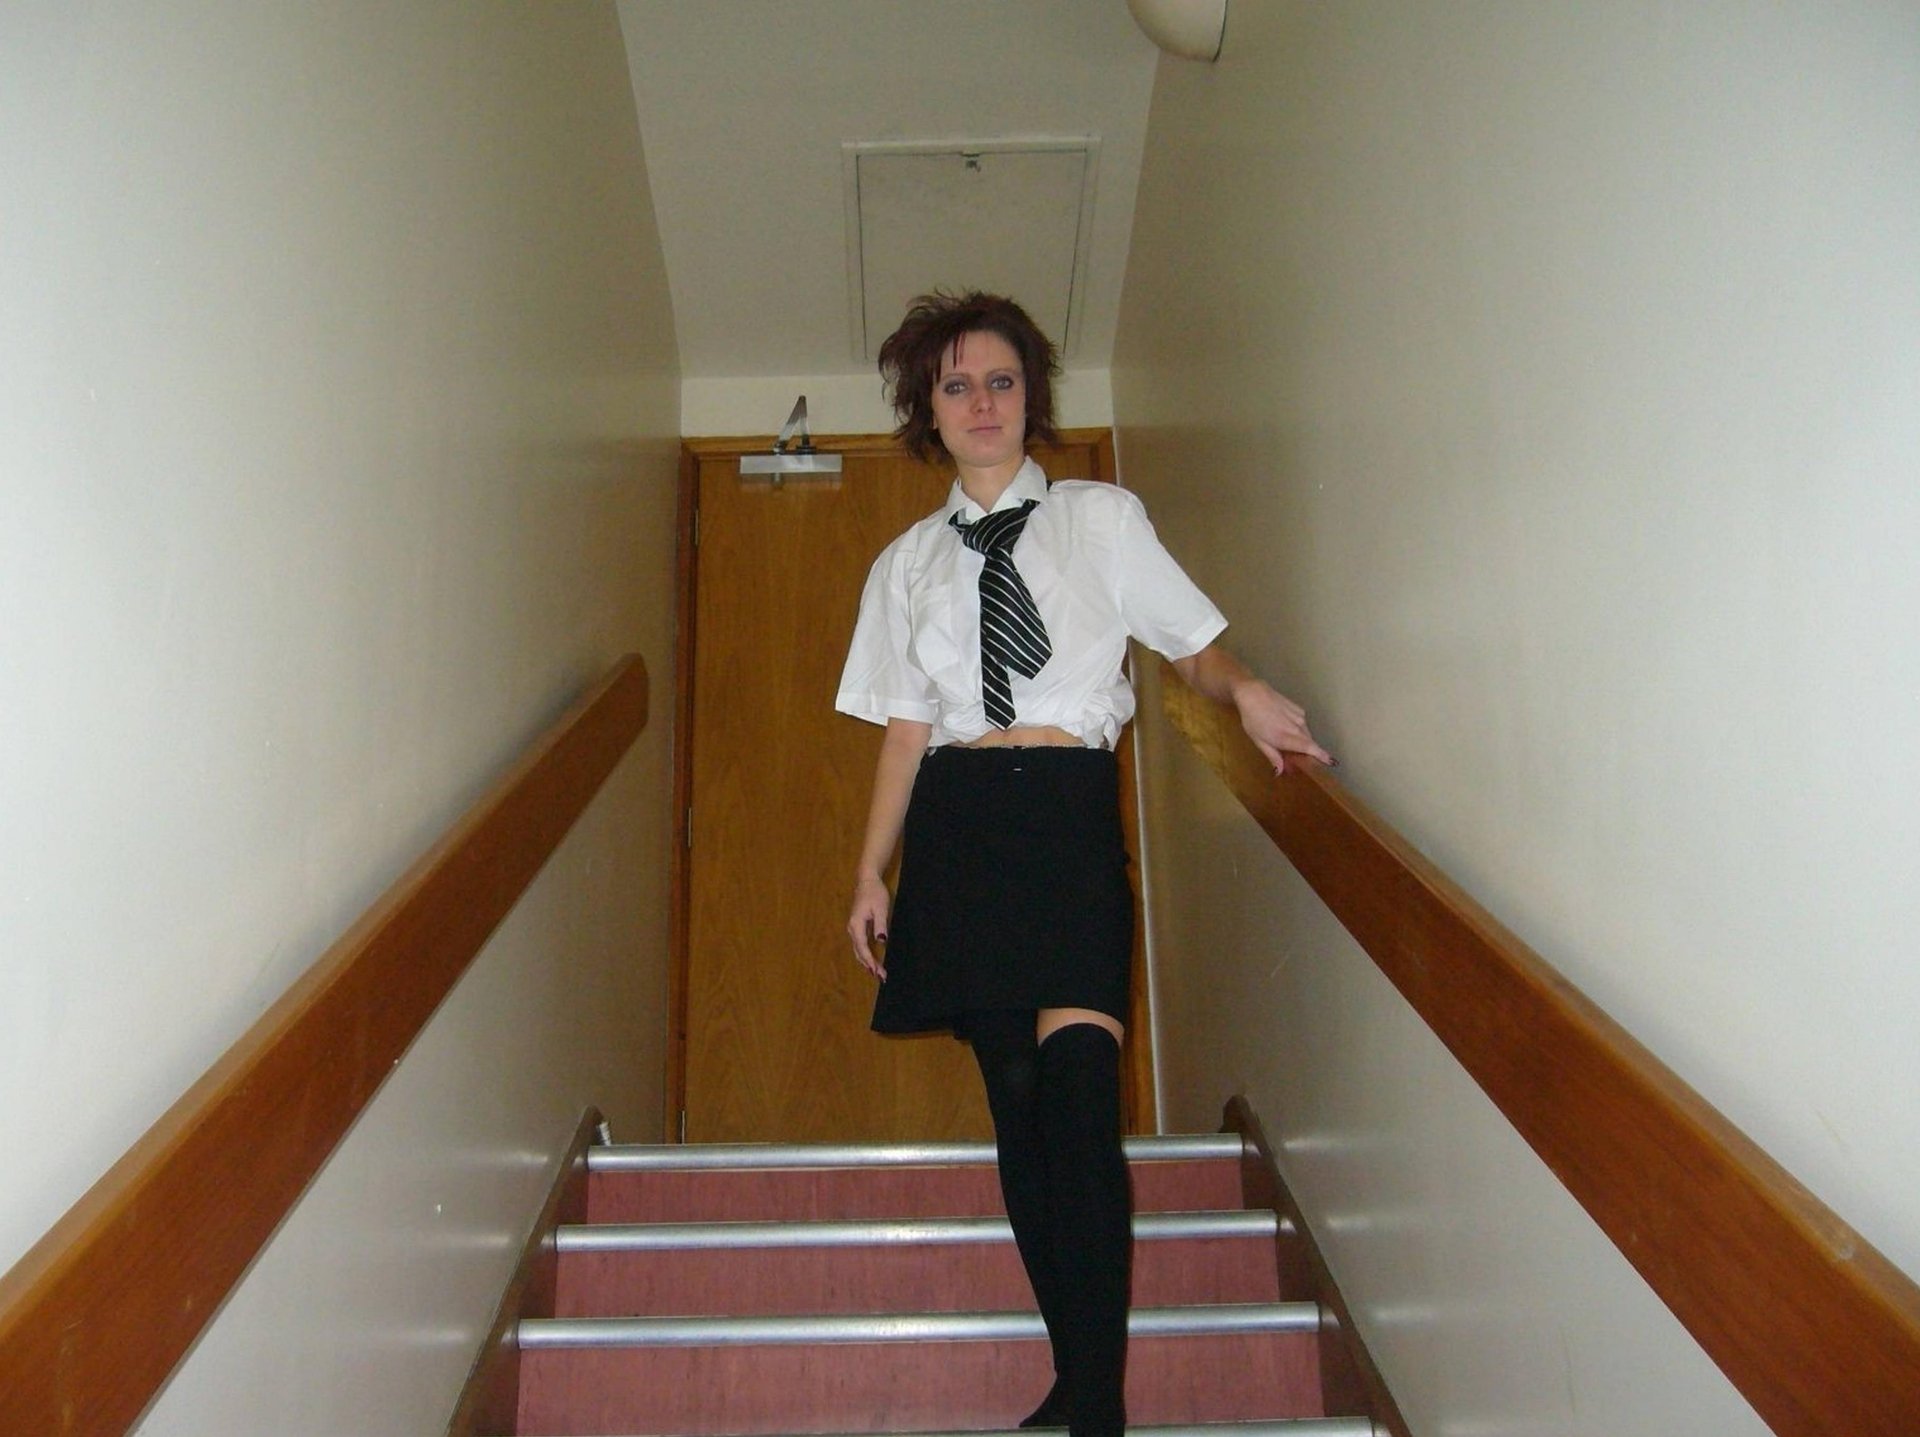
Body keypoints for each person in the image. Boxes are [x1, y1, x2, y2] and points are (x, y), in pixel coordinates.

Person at [835, 292, 1331, 1437]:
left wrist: (1248, 692)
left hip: (1064, 816)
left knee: (1076, 1095)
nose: (982, 403)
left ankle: (1097, 1405)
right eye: (956, 386)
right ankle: (1077, 1375)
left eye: (1001, 381)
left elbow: (1190, 647)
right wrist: (870, 874)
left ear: (1031, 397)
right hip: (960, 825)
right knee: (1017, 1111)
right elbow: (905, 731)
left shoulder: (1101, 519)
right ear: (927, 411)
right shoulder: (905, 565)